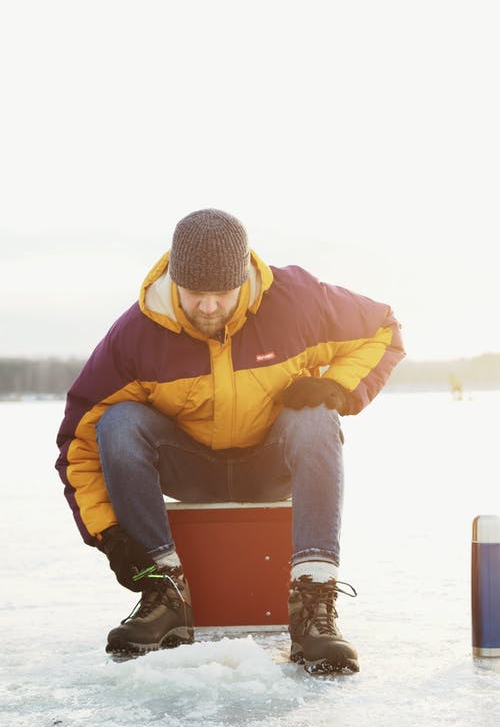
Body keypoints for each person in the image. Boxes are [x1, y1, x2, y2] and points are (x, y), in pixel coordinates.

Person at [56, 209, 405, 673]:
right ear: (175, 280)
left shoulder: (297, 302)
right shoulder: (137, 335)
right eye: (195, 294)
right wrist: (108, 532)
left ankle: (313, 603)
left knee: (317, 417)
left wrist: (339, 387)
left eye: (221, 294)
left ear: (243, 278)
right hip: (190, 469)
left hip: (271, 465)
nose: (207, 307)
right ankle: (163, 594)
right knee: (117, 423)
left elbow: (383, 329)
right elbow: (78, 441)